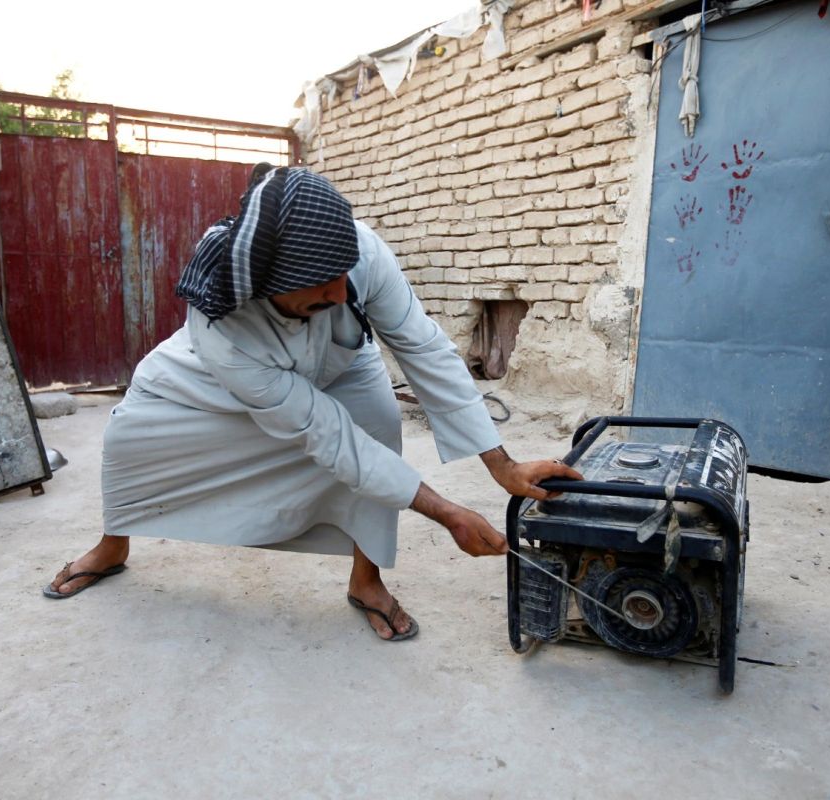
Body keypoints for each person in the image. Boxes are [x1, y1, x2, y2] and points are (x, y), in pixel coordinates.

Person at [45, 166, 581, 641]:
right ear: (265, 284)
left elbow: (423, 347)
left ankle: (366, 581)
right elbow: (326, 436)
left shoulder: (358, 253)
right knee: (130, 434)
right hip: (216, 380)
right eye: (319, 286)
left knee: (379, 425)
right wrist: (447, 514)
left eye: (343, 275)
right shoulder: (225, 331)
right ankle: (114, 544)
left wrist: (501, 465)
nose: (340, 292)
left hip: (340, 360)